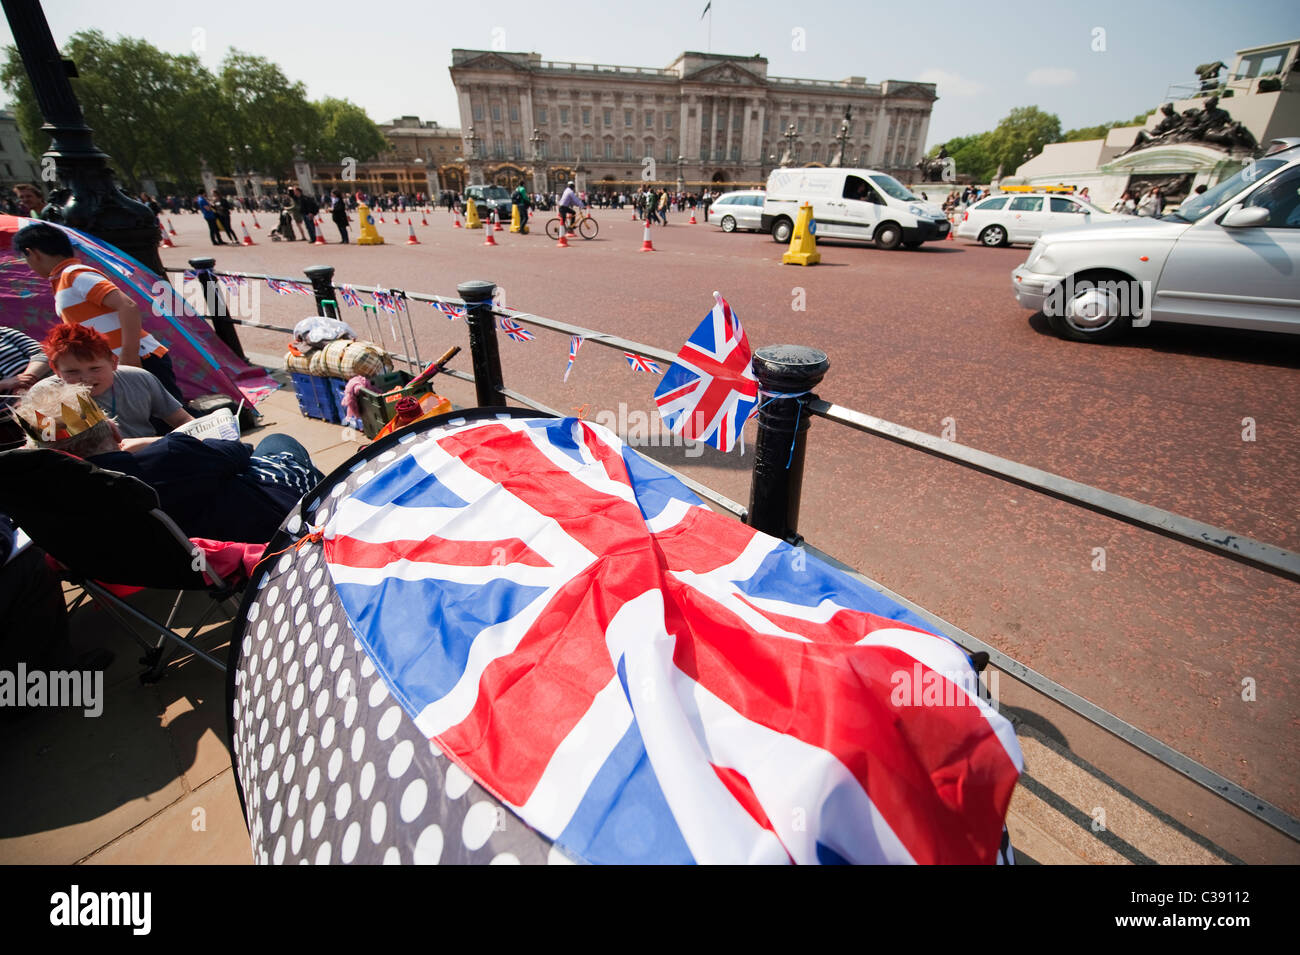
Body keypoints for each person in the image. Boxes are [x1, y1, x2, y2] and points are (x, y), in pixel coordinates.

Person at [15, 379, 324, 544]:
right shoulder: (169, 454)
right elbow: (240, 453)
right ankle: (332, 510)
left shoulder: (46, 494)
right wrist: (155, 443)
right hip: (252, 533)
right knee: (276, 443)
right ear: (112, 428)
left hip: (148, 564)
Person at [13, 222, 184, 403]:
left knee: (169, 417)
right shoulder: (63, 280)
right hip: (120, 364)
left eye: (26, 259)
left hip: (141, 359)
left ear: (32, 253)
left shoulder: (74, 275)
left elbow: (128, 306)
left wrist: (129, 357)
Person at [42, 323, 192, 443]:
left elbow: (182, 419)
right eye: (72, 372)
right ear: (56, 370)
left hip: (148, 453)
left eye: (95, 368)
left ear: (114, 362)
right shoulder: (44, 396)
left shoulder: (139, 378)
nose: (85, 378)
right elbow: (46, 447)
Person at [1, 325, 54, 450]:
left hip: (44, 384)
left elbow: (44, 352)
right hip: (10, 411)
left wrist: (27, 378)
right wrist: (5, 383)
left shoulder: (4, 332)